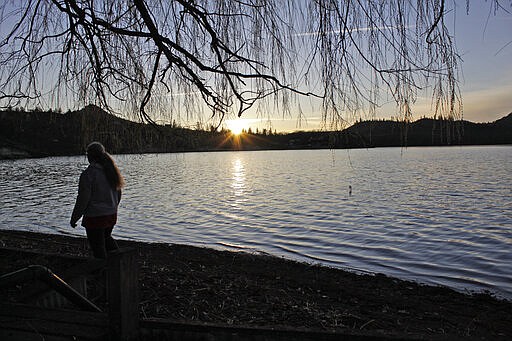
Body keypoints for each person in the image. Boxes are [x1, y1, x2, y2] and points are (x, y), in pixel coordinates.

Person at [70, 142, 124, 259]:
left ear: (89, 156)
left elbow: (83, 199)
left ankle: (102, 270)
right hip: (111, 214)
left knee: (98, 247)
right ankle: (118, 262)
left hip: (95, 216)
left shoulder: (89, 174)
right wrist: (113, 207)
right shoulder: (111, 171)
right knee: (106, 238)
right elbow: (118, 193)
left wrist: (75, 217)